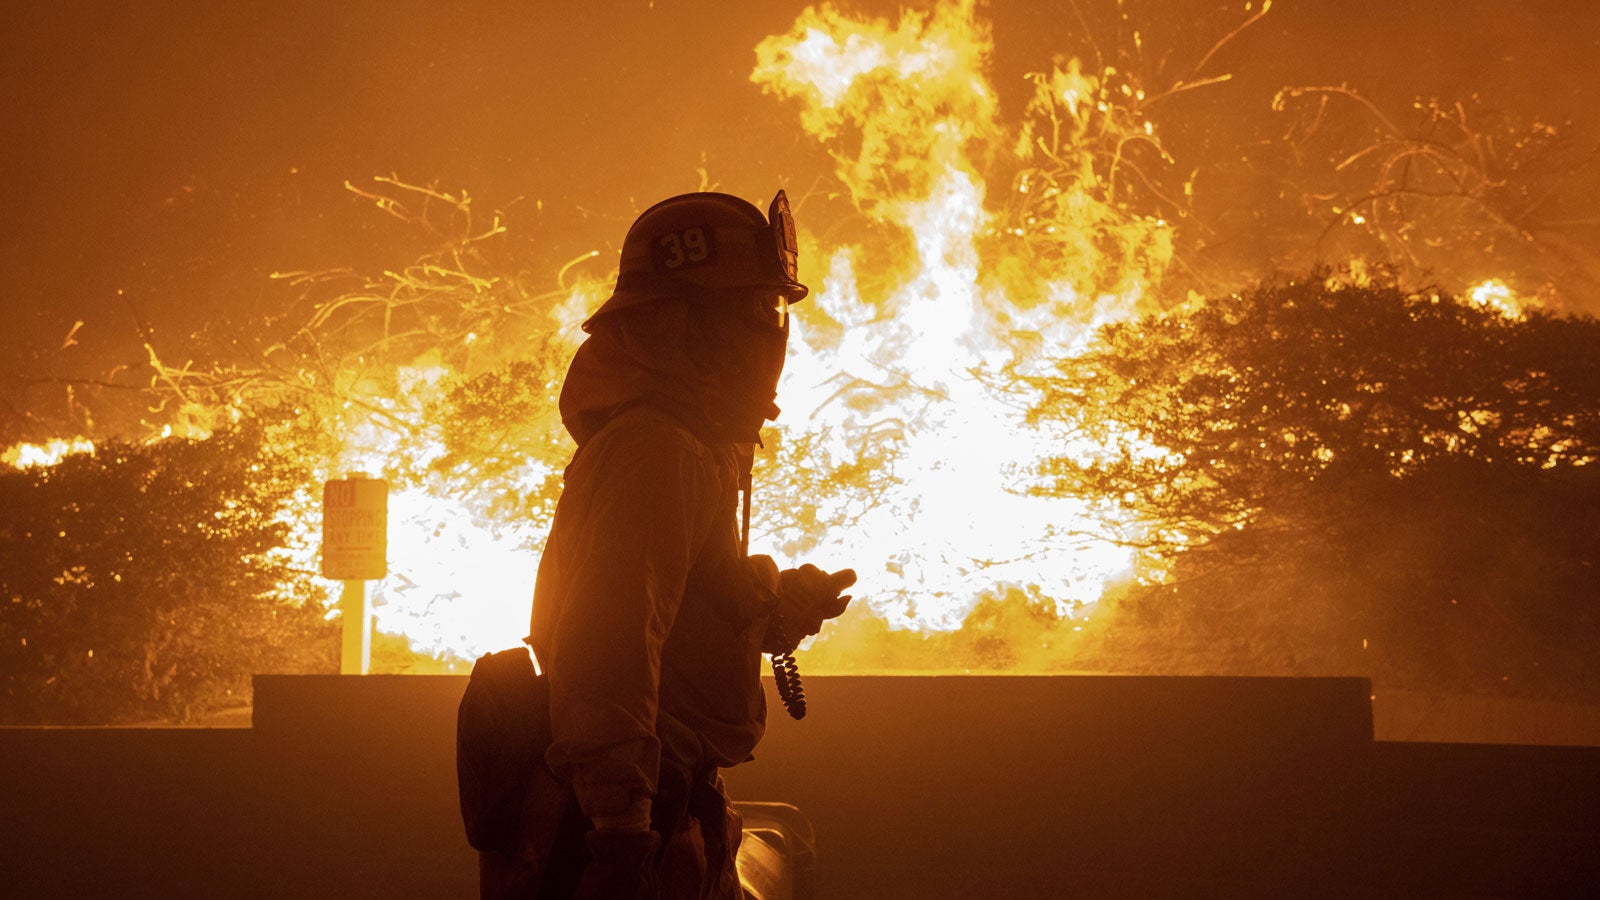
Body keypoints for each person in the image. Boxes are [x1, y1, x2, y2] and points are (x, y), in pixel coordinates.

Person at [480, 190, 856, 900]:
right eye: (757, 313)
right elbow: (609, 645)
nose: (772, 335)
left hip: (663, 812)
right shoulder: (658, 451)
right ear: (687, 327)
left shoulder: (686, 443)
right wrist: (621, 841)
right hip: (626, 833)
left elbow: (686, 601)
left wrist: (777, 609)